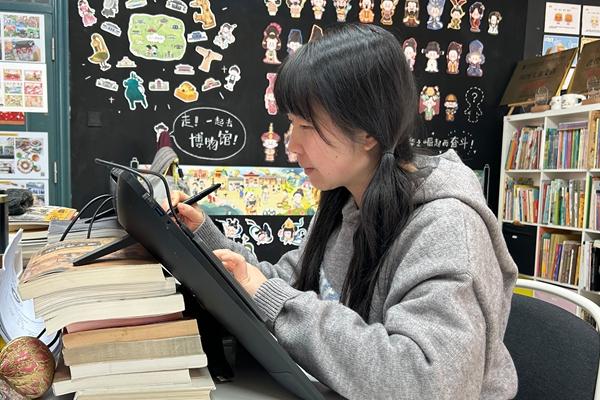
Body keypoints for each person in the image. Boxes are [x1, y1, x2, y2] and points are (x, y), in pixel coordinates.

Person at [168, 23, 518, 399]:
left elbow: (427, 382)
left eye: (306, 126)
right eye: (291, 124)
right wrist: (202, 235)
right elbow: (285, 284)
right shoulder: (347, 201)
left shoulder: (447, 227)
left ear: (368, 132)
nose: (292, 145)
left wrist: (273, 298)